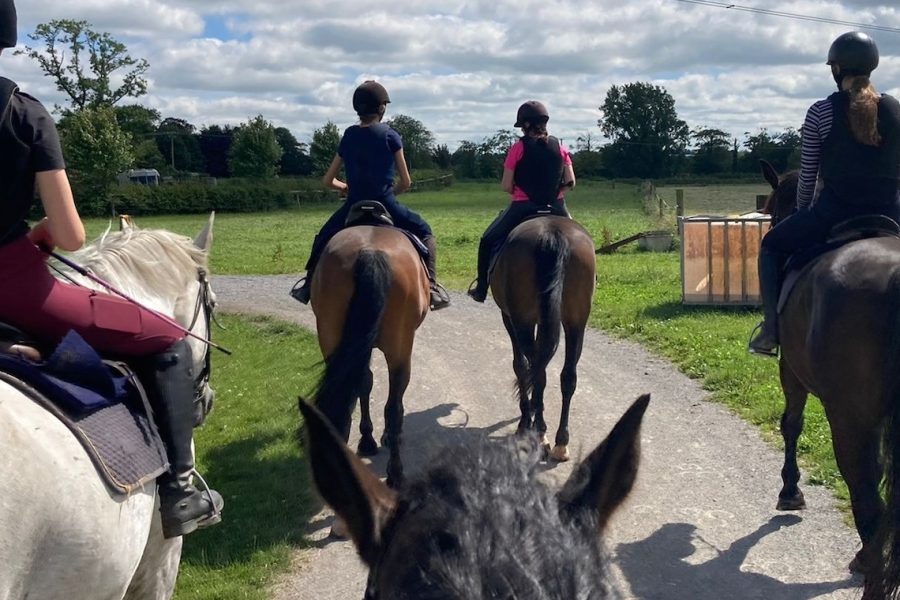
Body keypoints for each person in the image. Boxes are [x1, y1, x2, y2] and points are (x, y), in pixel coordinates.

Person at [0, 0, 222, 538]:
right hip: (13, 285)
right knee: (167, 337)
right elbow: (73, 235)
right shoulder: (25, 114)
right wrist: (34, 237)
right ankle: (181, 489)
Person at [749, 31, 900, 356]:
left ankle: (771, 332)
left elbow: (808, 177)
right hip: (892, 213)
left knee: (771, 246)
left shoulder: (821, 112)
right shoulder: (895, 110)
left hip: (835, 211)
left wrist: (804, 210)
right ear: (871, 67)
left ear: (836, 69)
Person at [291, 80, 450, 310]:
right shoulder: (391, 136)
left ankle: (306, 285)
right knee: (425, 233)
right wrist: (389, 193)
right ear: (381, 108)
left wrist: (345, 188)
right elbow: (406, 182)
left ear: (358, 109)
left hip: (354, 202)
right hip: (386, 202)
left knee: (323, 236)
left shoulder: (349, 135)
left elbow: (327, 180)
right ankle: (433, 288)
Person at [467, 100, 576, 302]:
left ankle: (481, 288)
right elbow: (570, 182)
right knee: (580, 238)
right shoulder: (560, 148)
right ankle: (592, 278)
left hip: (523, 207)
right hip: (557, 207)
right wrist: (554, 193)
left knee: (487, 240)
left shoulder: (518, 148)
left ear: (525, 125)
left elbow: (506, 185)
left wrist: (522, 191)